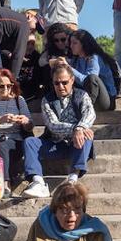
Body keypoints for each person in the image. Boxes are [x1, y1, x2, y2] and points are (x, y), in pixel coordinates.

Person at [19, 63, 96, 199]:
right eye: (57, 83)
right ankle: (38, 182)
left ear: (72, 80)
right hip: (54, 143)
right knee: (30, 142)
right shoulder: (47, 100)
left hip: (76, 144)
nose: (60, 87)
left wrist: (80, 129)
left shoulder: (81, 95)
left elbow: (90, 114)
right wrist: (76, 128)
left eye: (64, 82)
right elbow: (53, 125)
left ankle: (72, 179)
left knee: (86, 134)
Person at [0, 68, 33, 191]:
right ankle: (4, 182)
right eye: (1, 86)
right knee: (0, 144)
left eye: (9, 85)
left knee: (4, 145)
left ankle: (5, 182)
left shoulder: (19, 100)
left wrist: (24, 121)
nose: (6, 89)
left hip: (15, 139)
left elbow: (30, 125)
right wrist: (1, 120)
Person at [68, 28, 119, 111]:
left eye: (75, 43)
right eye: (70, 43)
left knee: (92, 77)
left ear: (83, 44)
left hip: (106, 100)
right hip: (85, 97)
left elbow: (88, 81)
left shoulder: (95, 57)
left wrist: (68, 68)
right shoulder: (77, 60)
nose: (71, 46)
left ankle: (87, 109)